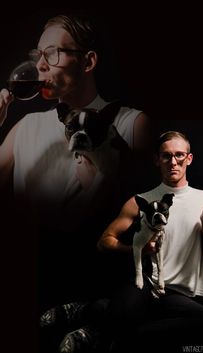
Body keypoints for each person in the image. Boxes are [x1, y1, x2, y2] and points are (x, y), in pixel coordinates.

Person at [0, 13, 156, 353]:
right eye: (37, 55)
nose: (41, 65)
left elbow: (140, 217)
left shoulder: (133, 125)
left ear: (88, 61)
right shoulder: (23, 128)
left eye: (53, 53)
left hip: (95, 279)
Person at [97, 130, 203, 352]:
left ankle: (121, 331)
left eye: (179, 155)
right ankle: (94, 313)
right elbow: (104, 241)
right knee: (124, 314)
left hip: (183, 294)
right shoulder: (140, 201)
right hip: (147, 286)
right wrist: (136, 248)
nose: (173, 162)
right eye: (166, 156)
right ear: (156, 159)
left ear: (189, 159)